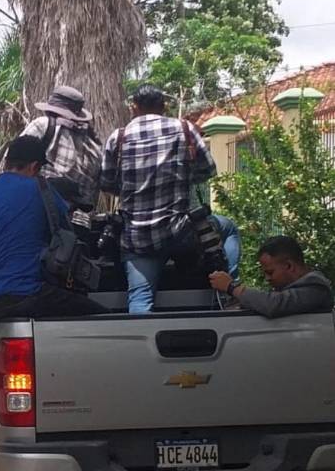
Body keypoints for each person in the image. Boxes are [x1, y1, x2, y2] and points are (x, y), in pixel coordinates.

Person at [99, 84, 242, 313]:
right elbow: (208, 170)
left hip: (137, 238)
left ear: (133, 108)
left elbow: (106, 183)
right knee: (228, 228)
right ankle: (229, 294)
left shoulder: (119, 137)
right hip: (181, 234)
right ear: (164, 106)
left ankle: (141, 340)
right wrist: (182, 177)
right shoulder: (184, 128)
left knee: (140, 297)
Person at [0, 135, 107, 319]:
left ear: (6, 163)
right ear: (34, 166)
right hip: (30, 294)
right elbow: (64, 236)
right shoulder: (41, 190)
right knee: (102, 317)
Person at [209, 236, 333, 318]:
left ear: (289, 266)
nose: (268, 278)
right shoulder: (294, 288)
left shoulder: (316, 288)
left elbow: (274, 304)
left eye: (270, 272)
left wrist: (232, 287)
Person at [21, 85, 103, 208]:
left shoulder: (43, 125)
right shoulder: (95, 147)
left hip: (41, 210)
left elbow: (13, 162)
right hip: (80, 221)